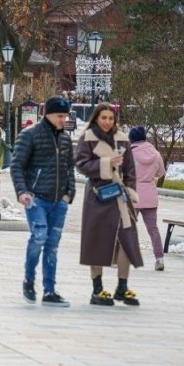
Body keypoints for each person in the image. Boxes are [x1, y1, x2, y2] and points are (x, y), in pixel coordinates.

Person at [75, 103, 143, 307]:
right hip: (97, 195)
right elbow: (81, 164)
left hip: (120, 196)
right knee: (97, 239)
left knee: (126, 239)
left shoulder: (123, 139)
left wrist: (131, 191)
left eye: (111, 118)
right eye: (103, 117)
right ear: (96, 118)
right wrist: (106, 164)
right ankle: (97, 288)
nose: (107, 122)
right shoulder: (87, 138)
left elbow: (130, 170)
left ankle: (122, 286)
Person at [10, 96, 76, 307]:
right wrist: (22, 191)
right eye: (59, 115)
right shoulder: (29, 135)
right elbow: (17, 165)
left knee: (52, 245)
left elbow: (69, 168)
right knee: (39, 236)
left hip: (59, 201)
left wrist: (68, 195)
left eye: (65, 116)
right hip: (36, 198)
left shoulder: (65, 139)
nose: (62, 120)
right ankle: (29, 280)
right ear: (47, 114)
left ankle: (50, 290)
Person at [128, 126, 166, 271]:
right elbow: (160, 173)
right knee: (153, 229)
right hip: (150, 195)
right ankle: (159, 258)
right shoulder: (156, 154)